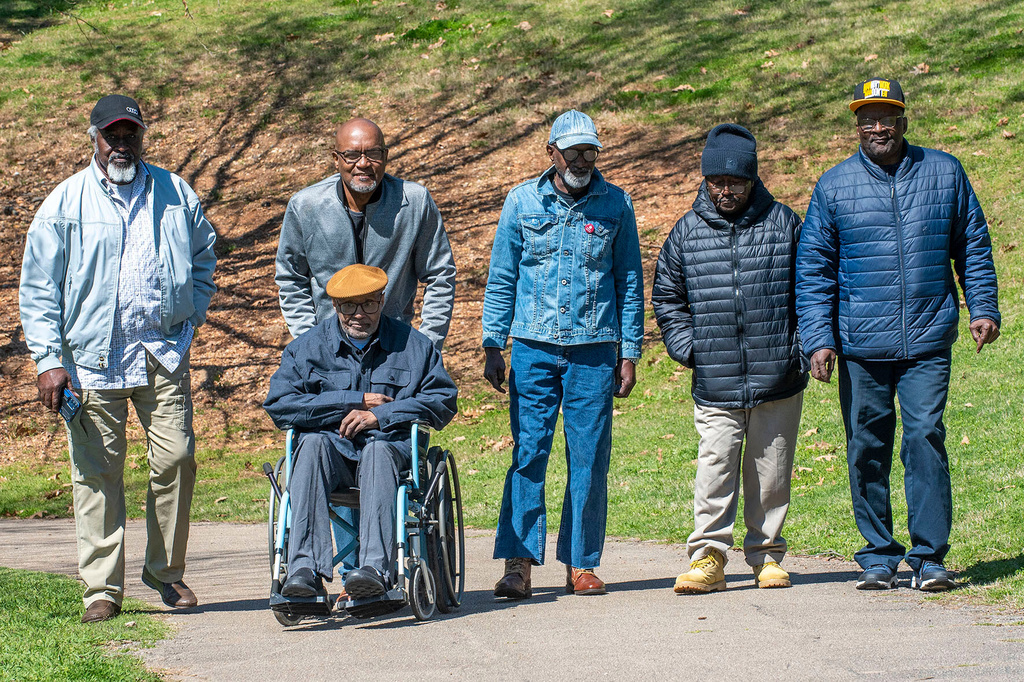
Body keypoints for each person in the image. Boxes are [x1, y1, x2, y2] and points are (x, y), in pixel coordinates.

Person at [19, 94, 217, 623]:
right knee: (97, 473)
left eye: (131, 134)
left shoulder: (176, 194)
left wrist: (190, 314)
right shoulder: (65, 204)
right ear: (94, 139)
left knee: (176, 459)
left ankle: (165, 574)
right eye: (112, 135)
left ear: (142, 137)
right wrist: (48, 360)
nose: (122, 144)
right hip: (91, 360)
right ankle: (102, 588)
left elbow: (203, 259)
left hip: (162, 353)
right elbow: (38, 290)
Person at [797, 79, 1000, 591]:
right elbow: (814, 269)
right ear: (857, 126)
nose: (877, 127)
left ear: (904, 120)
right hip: (862, 345)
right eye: (867, 118)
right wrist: (818, 339)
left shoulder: (945, 172)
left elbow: (971, 244)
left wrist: (984, 308)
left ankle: (930, 557)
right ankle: (878, 554)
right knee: (866, 444)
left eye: (887, 117)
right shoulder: (834, 186)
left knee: (925, 437)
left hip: (928, 339)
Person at [481, 109, 644, 598]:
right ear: (551, 151)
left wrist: (629, 352)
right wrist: (494, 343)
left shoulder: (616, 204)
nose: (581, 159)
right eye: (572, 150)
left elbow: (630, 282)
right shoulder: (521, 201)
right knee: (529, 454)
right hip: (532, 348)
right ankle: (518, 563)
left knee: (590, 458)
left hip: (594, 351)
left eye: (589, 150)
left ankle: (582, 563)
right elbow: (502, 275)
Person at [653, 124, 807, 593]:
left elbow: (814, 290)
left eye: (735, 181)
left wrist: (796, 350)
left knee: (771, 473)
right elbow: (667, 297)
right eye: (717, 181)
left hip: (777, 376)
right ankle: (708, 559)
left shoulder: (785, 224)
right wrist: (689, 349)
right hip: (715, 380)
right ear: (706, 181)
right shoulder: (685, 233)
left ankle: (766, 556)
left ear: (752, 180)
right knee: (715, 465)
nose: (726, 190)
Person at [263, 265, 458, 601]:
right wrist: (351, 402)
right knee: (309, 445)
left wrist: (380, 416)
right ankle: (303, 571)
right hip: (331, 455)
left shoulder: (413, 346)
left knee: (377, 452)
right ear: (334, 306)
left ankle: (374, 571)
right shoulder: (307, 349)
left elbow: (442, 401)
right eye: (349, 306)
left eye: (368, 304)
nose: (359, 315)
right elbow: (279, 405)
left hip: (390, 454)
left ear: (382, 300)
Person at [275, 117, 456, 348]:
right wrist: (309, 343)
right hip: (328, 349)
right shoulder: (306, 206)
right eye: (351, 155)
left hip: (396, 347)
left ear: (385, 156)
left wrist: (427, 346)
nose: (363, 163)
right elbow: (291, 278)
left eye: (373, 153)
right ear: (335, 159)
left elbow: (440, 275)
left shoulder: (415, 203)